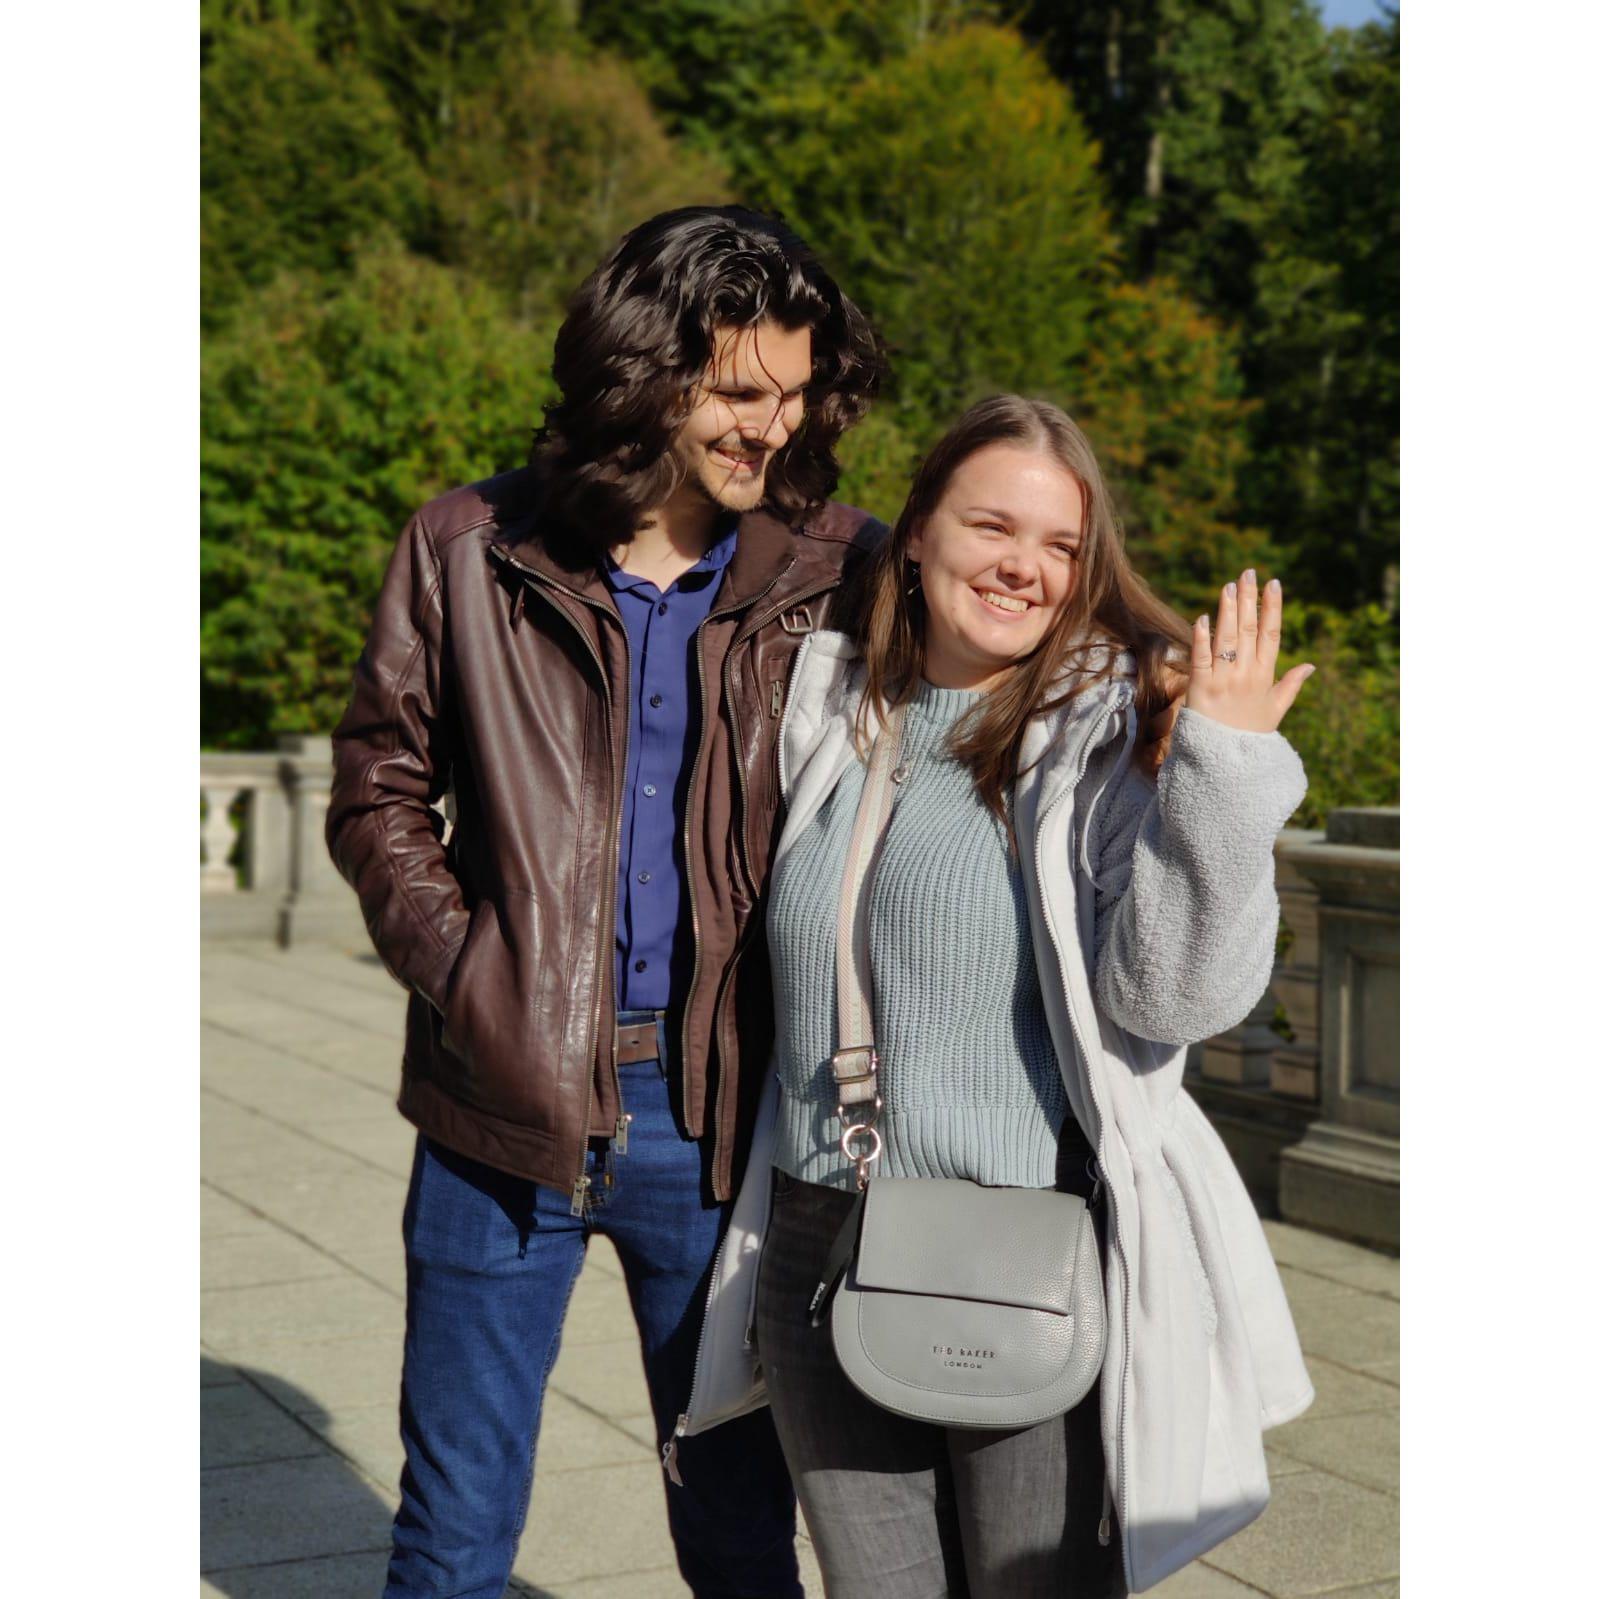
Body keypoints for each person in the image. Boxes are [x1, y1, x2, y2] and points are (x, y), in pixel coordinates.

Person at [324, 205, 891, 1599]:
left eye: (797, 391)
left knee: (740, 1529)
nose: (775, 426)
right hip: (490, 1112)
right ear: (646, 368)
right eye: (739, 391)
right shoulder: (466, 545)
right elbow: (376, 786)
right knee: (450, 1533)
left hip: (722, 1117)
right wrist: (472, 979)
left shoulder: (842, 568)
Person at [685, 394, 1318, 1598]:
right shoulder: (832, 710)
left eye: (1061, 546)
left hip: (1020, 1247)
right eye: (992, 527)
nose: (1025, 567)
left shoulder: (1109, 737)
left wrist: (1222, 778)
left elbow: (1174, 995)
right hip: (817, 1235)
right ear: (916, 534)